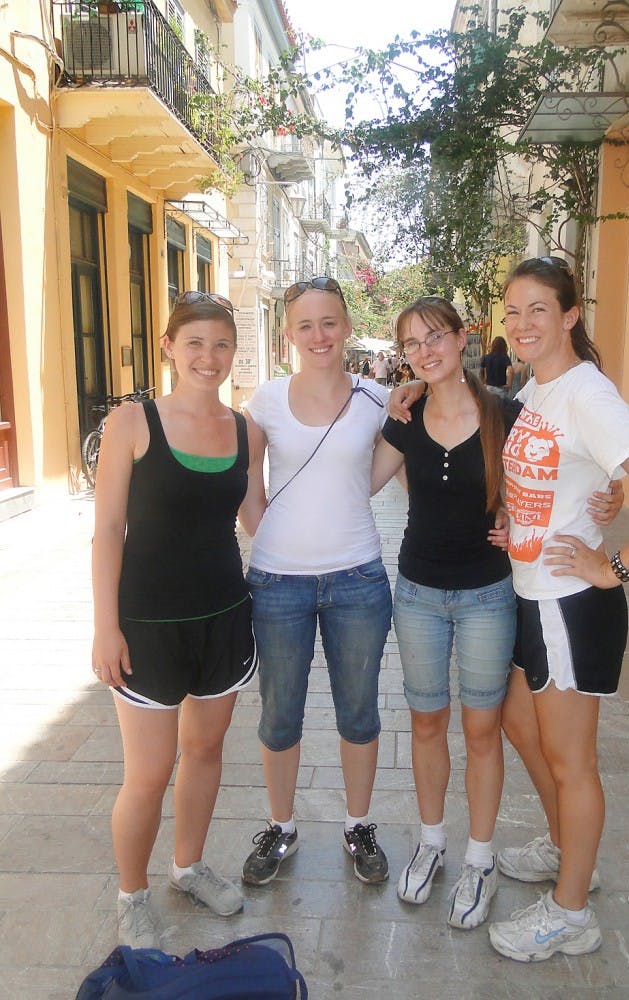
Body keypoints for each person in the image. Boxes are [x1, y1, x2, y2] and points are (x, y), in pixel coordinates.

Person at [376, 297, 624, 932]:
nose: (425, 351)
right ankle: (432, 842)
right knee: (426, 725)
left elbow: (568, 470)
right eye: (412, 343)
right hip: (419, 593)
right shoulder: (403, 416)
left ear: (463, 339)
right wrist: (385, 403)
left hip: (490, 593)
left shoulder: (508, 414)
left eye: (436, 336)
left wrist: (608, 495)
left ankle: (479, 858)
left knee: (483, 731)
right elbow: (363, 480)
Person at [486, 256, 629, 962]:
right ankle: (566, 845)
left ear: (571, 315)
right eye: (513, 311)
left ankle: (572, 912)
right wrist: (524, 526)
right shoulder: (541, 389)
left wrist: (615, 568)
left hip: (571, 605)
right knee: (519, 721)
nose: (522, 324)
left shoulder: (586, 394)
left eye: (538, 309)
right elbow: (575, 477)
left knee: (571, 759)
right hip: (533, 594)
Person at [91, 291, 258, 949]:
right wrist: (106, 626)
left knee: (206, 749)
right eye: (194, 343)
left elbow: (258, 519)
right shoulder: (133, 424)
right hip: (146, 625)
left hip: (224, 617)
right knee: (150, 772)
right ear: (169, 346)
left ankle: (187, 866)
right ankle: (132, 895)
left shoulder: (247, 430)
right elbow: (106, 530)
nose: (208, 357)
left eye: (221, 344)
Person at [240, 276, 393, 889]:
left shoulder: (379, 398)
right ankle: (282, 827)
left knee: (359, 713)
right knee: (280, 715)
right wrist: (264, 534)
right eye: (305, 325)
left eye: (329, 322)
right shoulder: (266, 401)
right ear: (288, 333)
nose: (319, 335)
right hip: (278, 584)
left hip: (358, 577)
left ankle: (358, 825)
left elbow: (397, 462)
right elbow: (247, 477)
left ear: (347, 326)